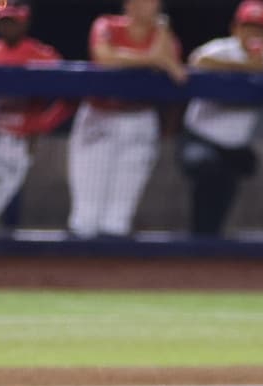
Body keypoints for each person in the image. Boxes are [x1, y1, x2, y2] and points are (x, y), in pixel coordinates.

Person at [176, 0, 263, 238]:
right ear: (235, 28)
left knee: (236, 172)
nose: (253, 34)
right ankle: (200, 241)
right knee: (207, 167)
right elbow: (197, 61)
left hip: (233, 150)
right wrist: (245, 66)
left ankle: (207, 241)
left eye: (260, 29)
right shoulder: (222, 49)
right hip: (199, 138)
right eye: (248, 27)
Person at [67, 0, 186, 240]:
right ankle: (73, 276)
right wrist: (151, 60)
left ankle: (112, 276)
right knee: (85, 219)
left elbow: (173, 67)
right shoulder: (106, 24)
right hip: (100, 114)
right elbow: (105, 58)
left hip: (139, 117)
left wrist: (161, 32)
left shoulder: (162, 35)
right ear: (128, 4)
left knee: (118, 221)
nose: (149, 6)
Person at [0, 0, 72, 238]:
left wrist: (42, 124)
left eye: (13, 21)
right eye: (3, 21)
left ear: (25, 22)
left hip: (17, 142)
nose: (7, 27)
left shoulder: (43, 56)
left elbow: (71, 96)